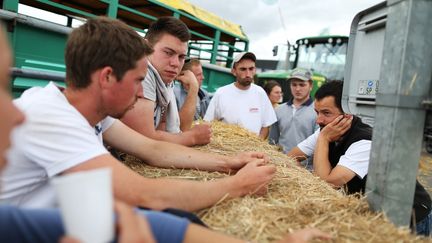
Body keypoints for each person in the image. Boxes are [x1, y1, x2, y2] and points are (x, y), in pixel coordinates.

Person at [0, 24, 330, 243]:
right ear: (107, 78)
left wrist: (229, 163)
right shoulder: (50, 117)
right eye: (137, 81)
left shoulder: (89, 115)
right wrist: (236, 186)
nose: (140, 94)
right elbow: (144, 195)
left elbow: (154, 151)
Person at [287, 80, 432, 235]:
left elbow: (327, 183)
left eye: (326, 113)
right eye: (317, 112)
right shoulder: (327, 129)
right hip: (374, 215)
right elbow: (289, 158)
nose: (318, 120)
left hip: (409, 217)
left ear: (348, 114)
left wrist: (323, 140)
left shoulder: (365, 141)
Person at [121, 17, 211, 146]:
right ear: (145, 47)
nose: (175, 64)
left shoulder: (165, 80)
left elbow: (169, 129)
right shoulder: (143, 73)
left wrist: (193, 88)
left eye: (181, 57)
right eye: (168, 53)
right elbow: (145, 139)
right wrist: (192, 138)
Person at [204, 52, 277, 139]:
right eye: (243, 69)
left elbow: (266, 126)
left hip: (253, 149)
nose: (248, 74)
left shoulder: (260, 93)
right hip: (228, 150)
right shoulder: (221, 93)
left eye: (251, 69)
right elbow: (209, 123)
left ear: (255, 69)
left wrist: (257, 144)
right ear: (234, 71)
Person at [269, 68, 318, 170]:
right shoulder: (279, 110)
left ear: (311, 85)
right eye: (294, 85)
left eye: (302, 85)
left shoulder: (317, 111)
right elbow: (272, 141)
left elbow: (319, 145)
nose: (297, 89)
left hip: (306, 169)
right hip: (282, 167)